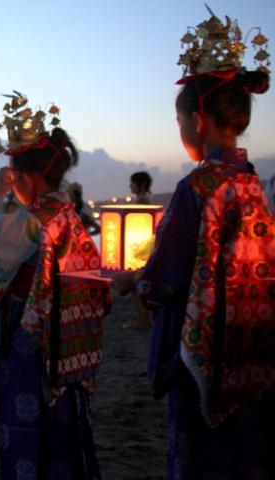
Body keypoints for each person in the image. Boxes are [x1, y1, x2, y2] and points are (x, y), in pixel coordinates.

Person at [113, 10, 275, 478]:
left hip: (201, 348)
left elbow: (167, 279)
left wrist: (132, 283)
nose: (179, 129)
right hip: (249, 345)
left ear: (198, 120)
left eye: (178, 119)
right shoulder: (251, 182)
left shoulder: (198, 186)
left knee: (201, 455)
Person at [0, 94, 109, 479]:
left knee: (25, 421)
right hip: (70, 341)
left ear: (23, 176)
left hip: (32, 334)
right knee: (66, 424)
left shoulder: (32, 223)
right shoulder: (69, 216)